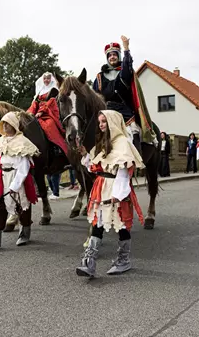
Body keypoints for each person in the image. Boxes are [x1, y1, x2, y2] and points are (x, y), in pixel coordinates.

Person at [76, 110, 145, 277]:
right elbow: (95, 166)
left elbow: (123, 171)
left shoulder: (123, 143)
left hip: (115, 188)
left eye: (104, 121)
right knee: (97, 222)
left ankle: (124, 260)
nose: (101, 125)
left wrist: (118, 194)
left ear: (113, 122)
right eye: (100, 122)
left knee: (120, 224)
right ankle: (89, 263)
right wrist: (86, 154)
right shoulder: (104, 143)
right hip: (101, 187)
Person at [0, 112, 40, 251]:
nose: (4, 126)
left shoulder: (23, 142)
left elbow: (24, 167)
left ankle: (24, 232)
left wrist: (15, 186)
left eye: (7, 123)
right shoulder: (2, 141)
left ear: (14, 125)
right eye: (3, 123)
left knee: (22, 207)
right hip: (2, 178)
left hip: (18, 179)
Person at [92, 36, 157, 154]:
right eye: (110, 55)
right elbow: (94, 97)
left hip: (124, 111)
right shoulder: (99, 77)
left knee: (134, 130)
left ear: (119, 56)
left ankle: (137, 159)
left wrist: (126, 48)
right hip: (105, 111)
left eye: (115, 54)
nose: (112, 57)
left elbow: (128, 65)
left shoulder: (124, 72)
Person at [27, 72, 68, 157]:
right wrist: (30, 113)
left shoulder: (54, 90)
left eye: (48, 78)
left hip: (49, 113)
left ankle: (58, 146)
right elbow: (35, 103)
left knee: (50, 125)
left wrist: (41, 111)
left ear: (51, 79)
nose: (46, 80)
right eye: (45, 78)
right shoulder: (40, 90)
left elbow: (51, 101)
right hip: (37, 114)